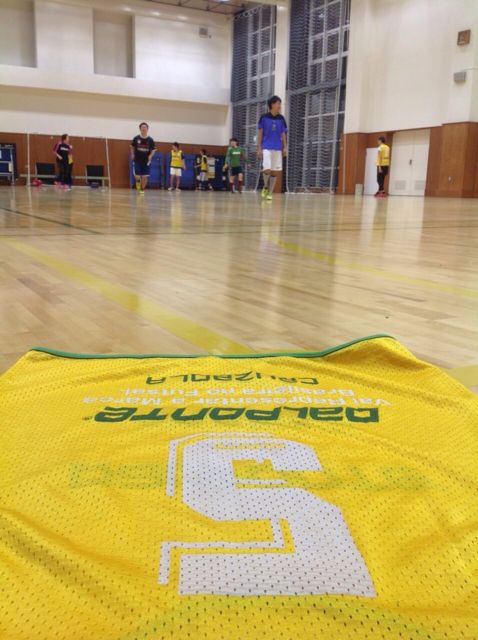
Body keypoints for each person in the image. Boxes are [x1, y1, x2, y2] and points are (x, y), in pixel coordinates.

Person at [257, 95, 287, 201]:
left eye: (280, 104)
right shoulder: (264, 117)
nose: (279, 106)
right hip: (266, 147)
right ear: (272, 104)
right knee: (267, 169)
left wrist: (285, 147)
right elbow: (260, 133)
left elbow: (283, 134)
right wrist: (259, 147)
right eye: (278, 103)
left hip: (277, 148)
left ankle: (269, 192)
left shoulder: (281, 118)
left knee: (274, 172)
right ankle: (265, 186)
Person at [130, 122, 156, 194]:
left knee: (144, 177)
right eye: (142, 127)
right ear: (140, 129)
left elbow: (153, 150)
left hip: (146, 161)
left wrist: (150, 155)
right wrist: (132, 154)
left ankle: (142, 190)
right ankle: (138, 182)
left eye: (145, 127)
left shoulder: (150, 139)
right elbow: (132, 147)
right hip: (137, 160)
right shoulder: (136, 138)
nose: (144, 128)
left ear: (147, 129)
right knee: (137, 176)